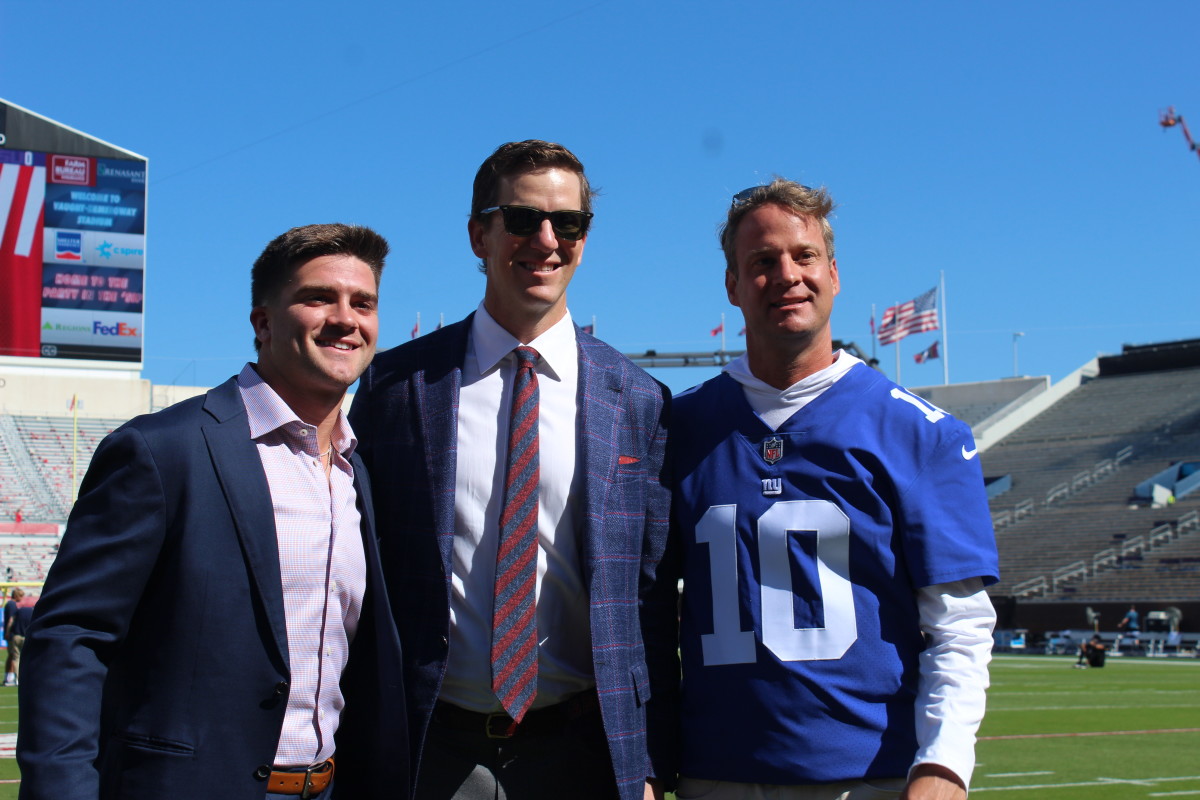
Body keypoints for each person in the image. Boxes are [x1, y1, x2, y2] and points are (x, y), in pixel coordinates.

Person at [17, 224, 408, 800]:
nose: (346, 318)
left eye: (363, 303)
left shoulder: (358, 472)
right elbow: (74, 634)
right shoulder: (163, 449)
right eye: (318, 297)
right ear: (264, 322)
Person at [350, 140, 677, 800]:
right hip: (431, 750)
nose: (547, 240)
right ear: (479, 234)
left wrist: (645, 764)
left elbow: (650, 594)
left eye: (570, 223)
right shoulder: (397, 385)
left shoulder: (638, 399)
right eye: (524, 219)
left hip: (583, 753)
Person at [670, 179, 999, 800]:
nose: (787, 274)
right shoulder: (679, 430)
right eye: (762, 262)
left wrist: (944, 765)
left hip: (867, 778)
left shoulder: (918, 433)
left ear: (834, 273)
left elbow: (959, 626)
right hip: (712, 775)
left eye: (804, 256)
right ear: (733, 286)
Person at [7, 602, 32, 683]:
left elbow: (11, 621)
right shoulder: (32, 612)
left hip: (16, 636)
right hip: (26, 637)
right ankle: (27, 677)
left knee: (16, 658)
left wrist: (7, 632)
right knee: (27, 658)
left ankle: (18, 678)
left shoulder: (18, 612)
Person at [4, 587, 24, 685]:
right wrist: (8, 632)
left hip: (10, 634)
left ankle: (8, 677)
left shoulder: (9, 604)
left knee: (11, 655)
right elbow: (11, 620)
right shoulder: (12, 605)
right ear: (16, 596)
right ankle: (10, 678)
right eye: (21, 596)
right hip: (12, 634)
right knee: (14, 656)